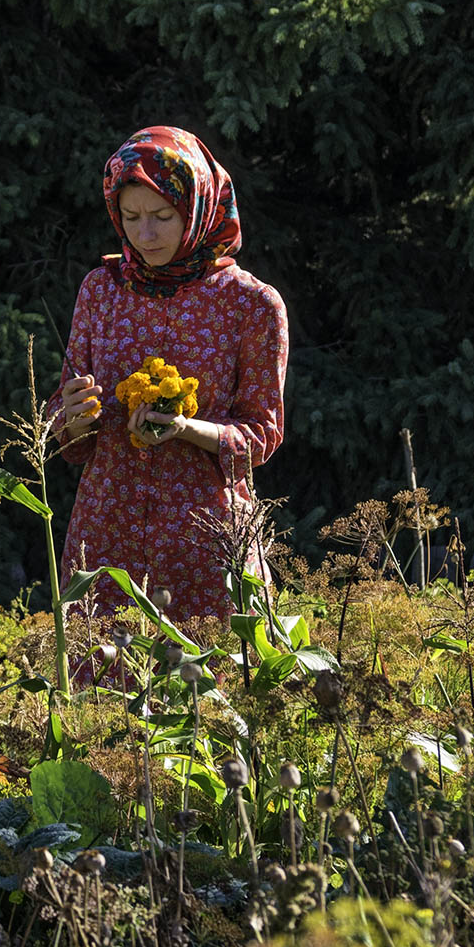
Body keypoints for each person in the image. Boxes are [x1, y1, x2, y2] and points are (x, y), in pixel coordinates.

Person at [48, 125, 287, 626]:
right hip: (107, 535)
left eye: (162, 216)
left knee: (204, 691)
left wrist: (184, 429)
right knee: (103, 691)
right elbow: (67, 437)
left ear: (197, 208)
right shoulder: (101, 291)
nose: (145, 234)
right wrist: (69, 416)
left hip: (204, 540)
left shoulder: (251, 304)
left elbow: (261, 436)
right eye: (130, 217)